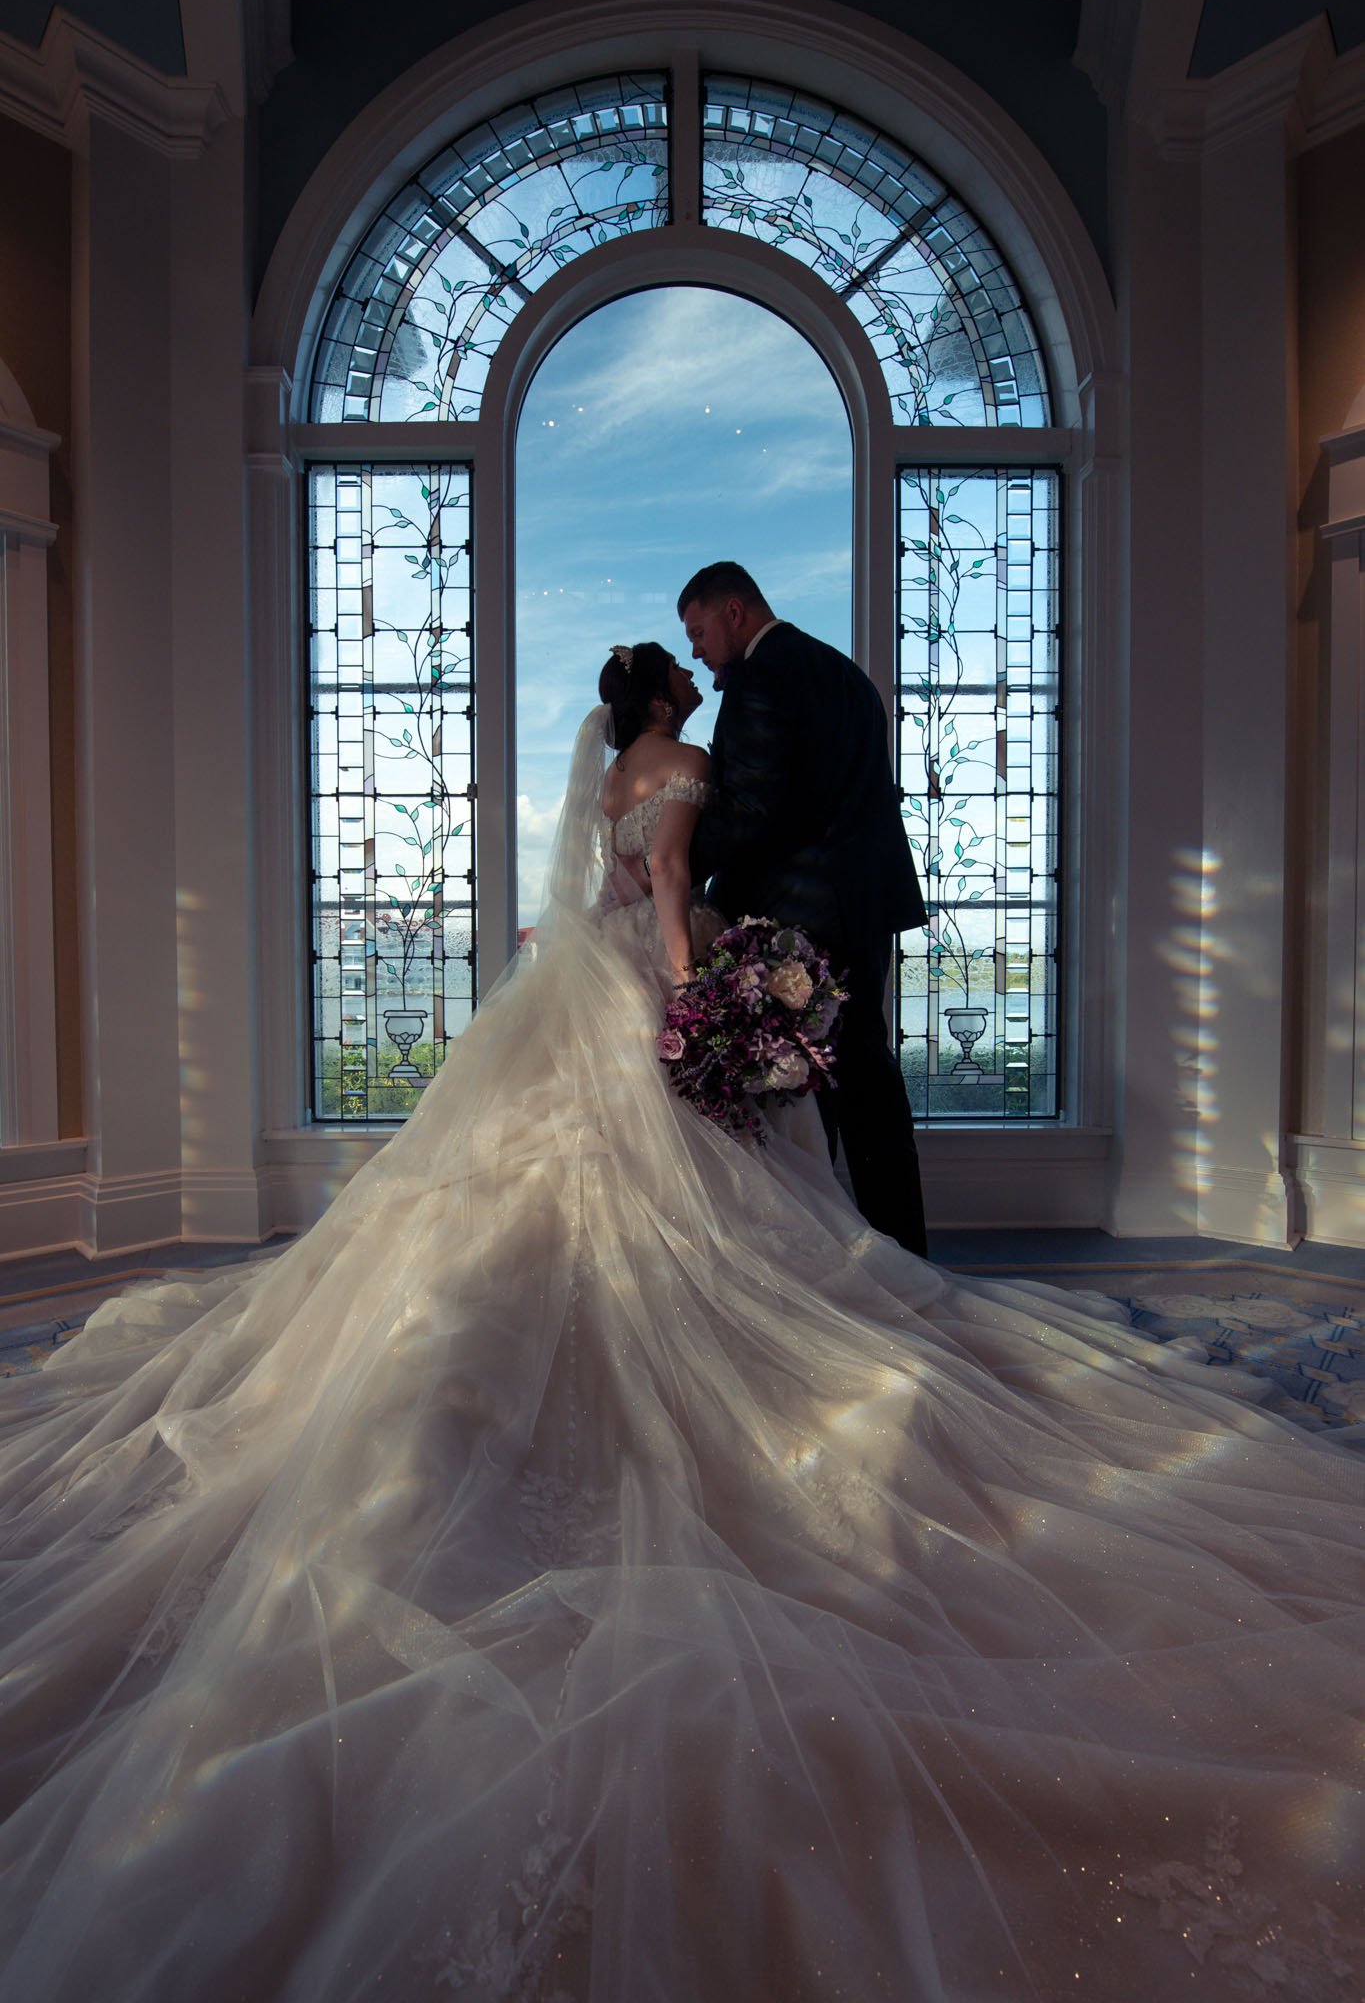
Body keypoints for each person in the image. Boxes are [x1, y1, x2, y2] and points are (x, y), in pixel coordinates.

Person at [1, 652, 1364, 2003]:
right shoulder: (683, 769)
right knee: (683, 1210)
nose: (703, 703)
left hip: (563, 995)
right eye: (694, 686)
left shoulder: (604, 779)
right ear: (674, 700)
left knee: (518, 1200)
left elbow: (613, 873)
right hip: (633, 982)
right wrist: (694, 1002)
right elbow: (668, 886)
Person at [679, 561, 929, 1255]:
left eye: (698, 632)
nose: (696, 652)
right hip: (863, 906)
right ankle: (899, 1248)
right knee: (866, 1080)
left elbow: (752, 814)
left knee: (801, 1095)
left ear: (734, 611)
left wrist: (665, 872)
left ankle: (825, 1261)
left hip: (804, 918)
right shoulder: (841, 672)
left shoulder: (764, 679)